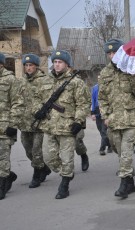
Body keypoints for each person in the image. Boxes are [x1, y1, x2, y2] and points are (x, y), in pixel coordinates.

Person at [33, 50, 91, 199]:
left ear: (67, 64)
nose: (57, 65)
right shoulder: (45, 81)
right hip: (49, 126)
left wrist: (78, 121)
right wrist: (37, 111)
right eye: (55, 62)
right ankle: (67, 173)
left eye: (60, 62)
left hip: (67, 126)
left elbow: (83, 104)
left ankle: (64, 183)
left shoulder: (76, 82)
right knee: (48, 157)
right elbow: (36, 98)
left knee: (67, 158)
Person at [98, 39, 135, 199]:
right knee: (119, 152)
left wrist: (133, 76)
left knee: (126, 153)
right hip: (114, 121)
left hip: (132, 119)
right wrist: (105, 115)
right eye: (109, 53)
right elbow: (102, 97)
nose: (112, 56)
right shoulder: (105, 73)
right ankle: (130, 182)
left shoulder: (133, 68)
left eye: (115, 52)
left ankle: (124, 184)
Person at [19, 53, 51, 188]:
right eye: (26, 65)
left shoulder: (44, 80)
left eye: (30, 65)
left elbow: (49, 100)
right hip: (24, 123)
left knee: (36, 151)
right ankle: (43, 168)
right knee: (28, 150)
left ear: (36, 66)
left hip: (39, 123)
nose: (28, 68)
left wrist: (44, 114)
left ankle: (36, 175)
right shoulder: (21, 81)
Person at [0, 53, 25, 200]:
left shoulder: (10, 80)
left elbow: (18, 103)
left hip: (5, 126)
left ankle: (2, 186)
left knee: (2, 157)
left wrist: (13, 124)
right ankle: (9, 175)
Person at [91, 83, 112, 156]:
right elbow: (92, 100)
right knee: (101, 130)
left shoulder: (108, 86)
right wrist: (92, 113)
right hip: (97, 111)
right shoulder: (95, 87)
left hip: (105, 111)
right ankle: (110, 145)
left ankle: (102, 149)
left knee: (103, 131)